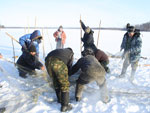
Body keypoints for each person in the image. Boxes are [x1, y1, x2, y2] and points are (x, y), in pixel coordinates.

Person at [45, 48, 74, 112]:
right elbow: (69, 65)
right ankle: (65, 106)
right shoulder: (71, 53)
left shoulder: (61, 50)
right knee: (64, 84)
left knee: (56, 81)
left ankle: (60, 99)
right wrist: (68, 74)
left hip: (47, 62)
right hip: (58, 62)